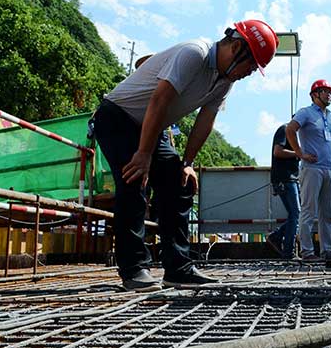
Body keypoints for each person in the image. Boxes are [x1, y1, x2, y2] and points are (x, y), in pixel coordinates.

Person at [93, 19, 279, 291]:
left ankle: (178, 268)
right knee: (134, 181)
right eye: (251, 65)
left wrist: (187, 163)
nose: (250, 72)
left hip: (149, 126)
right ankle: (133, 269)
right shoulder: (195, 53)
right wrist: (143, 154)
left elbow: (205, 121)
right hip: (117, 117)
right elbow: (160, 100)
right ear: (237, 47)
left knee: (179, 184)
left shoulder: (224, 81)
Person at [286, 79, 331, 261]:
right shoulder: (306, 113)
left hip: (328, 169)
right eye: (325, 91)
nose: (329, 94)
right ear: (314, 95)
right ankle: (308, 252)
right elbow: (290, 129)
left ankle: (328, 251)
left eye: (329, 91)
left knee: (327, 213)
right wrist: (300, 153)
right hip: (311, 169)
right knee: (308, 211)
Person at [266, 123, 301, 259]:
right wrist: (298, 153)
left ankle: (277, 237)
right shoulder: (285, 130)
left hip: (291, 179)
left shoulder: (297, 136)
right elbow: (278, 151)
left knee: (295, 214)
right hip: (285, 178)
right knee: (296, 213)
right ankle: (288, 250)